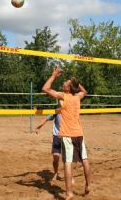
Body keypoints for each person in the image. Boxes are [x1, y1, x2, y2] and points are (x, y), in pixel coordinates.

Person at [42, 67, 91, 200]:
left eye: (66, 82)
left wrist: (53, 76)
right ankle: (87, 185)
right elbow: (84, 91)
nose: (64, 83)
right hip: (79, 134)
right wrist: (76, 83)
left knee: (67, 163)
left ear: (68, 88)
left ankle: (69, 193)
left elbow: (45, 88)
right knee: (85, 160)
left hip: (68, 134)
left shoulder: (63, 97)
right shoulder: (78, 97)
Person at [35, 110, 62, 182]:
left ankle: (70, 176)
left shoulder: (70, 109)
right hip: (57, 137)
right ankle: (55, 173)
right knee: (56, 157)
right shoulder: (57, 111)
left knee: (68, 159)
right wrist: (39, 127)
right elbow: (46, 119)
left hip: (68, 136)